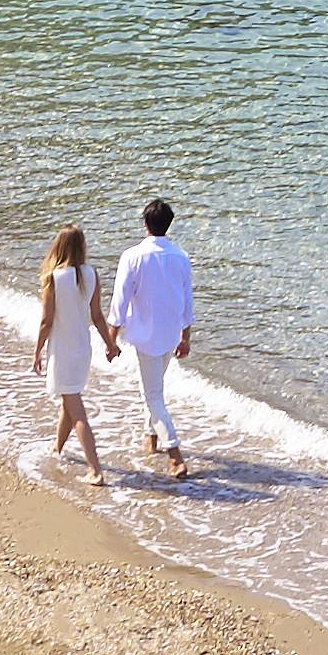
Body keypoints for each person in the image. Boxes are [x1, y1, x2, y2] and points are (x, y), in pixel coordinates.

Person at [111, 197, 195, 478]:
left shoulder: (132, 256)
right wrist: (185, 336)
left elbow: (120, 300)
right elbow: (187, 300)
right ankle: (152, 438)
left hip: (146, 336)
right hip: (171, 334)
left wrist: (111, 337)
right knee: (154, 389)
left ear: (145, 224)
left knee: (153, 395)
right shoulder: (180, 256)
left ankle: (175, 455)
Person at [32, 223, 118, 483]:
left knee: (76, 411)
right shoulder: (91, 274)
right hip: (82, 349)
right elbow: (97, 316)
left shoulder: (53, 279)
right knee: (69, 405)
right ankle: (57, 448)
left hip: (63, 351)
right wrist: (110, 344)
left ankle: (95, 470)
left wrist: (36, 352)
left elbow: (46, 322)